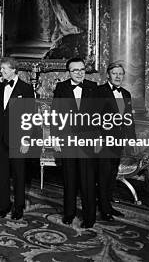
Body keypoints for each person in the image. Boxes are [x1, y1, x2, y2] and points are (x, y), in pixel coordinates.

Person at [52, 57, 99, 228]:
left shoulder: (93, 88)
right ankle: (69, 213)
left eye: (81, 70)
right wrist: (55, 138)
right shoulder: (61, 88)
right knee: (69, 179)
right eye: (75, 70)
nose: (79, 73)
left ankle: (89, 217)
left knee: (88, 180)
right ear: (69, 72)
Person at [0, 57, 35, 220]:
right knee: (2, 174)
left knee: (19, 174)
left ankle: (18, 207)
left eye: (4, 69)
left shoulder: (26, 89)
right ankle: (3, 205)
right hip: (0, 137)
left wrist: (26, 140)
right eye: (1, 69)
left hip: (18, 138)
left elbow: (30, 116)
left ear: (14, 70)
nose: (1, 72)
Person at [96, 62, 136, 220]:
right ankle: (104, 209)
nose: (118, 76)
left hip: (118, 141)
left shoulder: (126, 94)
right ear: (108, 75)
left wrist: (131, 141)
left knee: (112, 173)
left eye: (120, 74)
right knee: (103, 174)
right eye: (115, 73)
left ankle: (108, 204)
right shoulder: (99, 92)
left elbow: (129, 119)